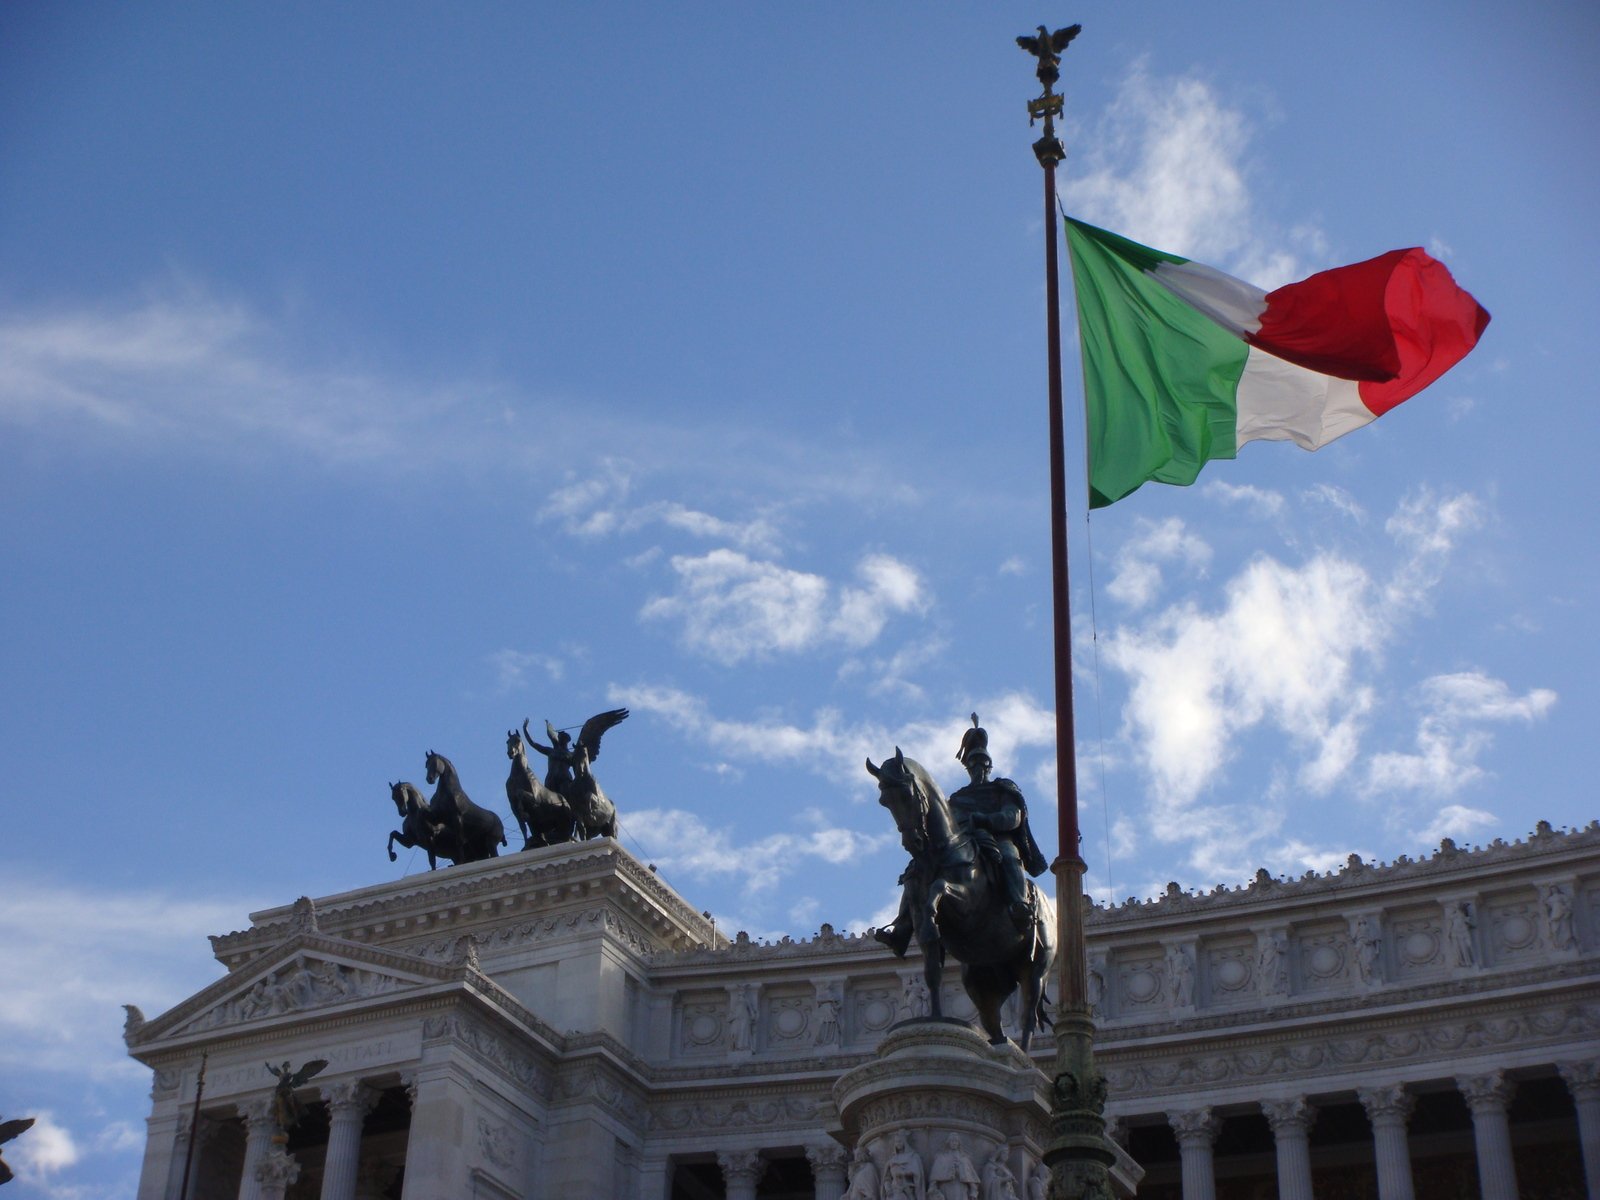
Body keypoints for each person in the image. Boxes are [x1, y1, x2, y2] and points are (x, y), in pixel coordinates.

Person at [948, 717, 1048, 928]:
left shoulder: (1002, 788)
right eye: (973, 764)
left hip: (998, 838)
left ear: (989, 766)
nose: (978, 769)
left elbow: (1013, 816)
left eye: (983, 764)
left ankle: (1019, 904)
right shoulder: (957, 797)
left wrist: (986, 820)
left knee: (1010, 858)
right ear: (967, 768)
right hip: (966, 841)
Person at [929, 1134, 981, 1200]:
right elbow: (934, 1177)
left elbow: (971, 1177)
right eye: (952, 1141)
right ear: (948, 1143)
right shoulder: (941, 1157)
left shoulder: (964, 1158)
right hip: (946, 1186)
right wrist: (932, 1188)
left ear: (959, 1143)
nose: (954, 1143)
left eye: (956, 1141)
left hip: (961, 1187)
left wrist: (973, 1191)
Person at [882, 1131, 926, 1200]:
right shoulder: (892, 1159)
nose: (898, 1144)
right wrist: (887, 1187)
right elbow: (887, 1177)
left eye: (900, 1141)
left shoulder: (913, 1156)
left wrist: (904, 1173)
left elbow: (918, 1174)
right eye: (896, 1142)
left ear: (905, 1142)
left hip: (907, 1189)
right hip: (894, 1190)